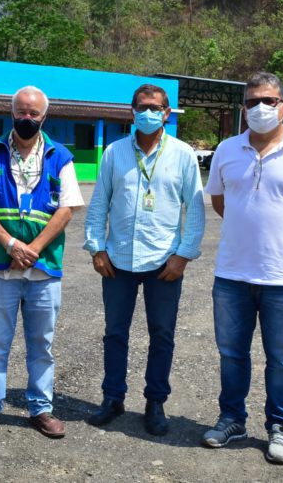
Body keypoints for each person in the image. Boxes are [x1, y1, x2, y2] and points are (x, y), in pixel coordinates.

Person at [201, 72, 283, 464]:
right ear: (243, 108)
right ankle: (232, 419)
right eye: (252, 102)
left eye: (269, 101)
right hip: (232, 274)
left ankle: (280, 426)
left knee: (282, 359)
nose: (260, 108)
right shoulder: (227, 149)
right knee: (232, 354)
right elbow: (220, 201)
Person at [83, 83, 205, 436]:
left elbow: (195, 209)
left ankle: (155, 402)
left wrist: (183, 255)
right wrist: (97, 248)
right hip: (117, 259)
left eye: (155, 108)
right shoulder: (114, 152)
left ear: (166, 113)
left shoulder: (182, 154)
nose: (148, 113)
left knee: (162, 334)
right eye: (142, 107)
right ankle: (112, 398)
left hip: (164, 262)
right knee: (114, 333)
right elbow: (99, 204)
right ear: (132, 112)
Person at [0, 85, 84, 438]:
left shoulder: (60, 156)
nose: (27, 118)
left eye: (34, 113)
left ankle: (41, 408)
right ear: (11, 112)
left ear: (44, 116)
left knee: (42, 345)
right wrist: (10, 244)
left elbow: (67, 208)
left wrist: (32, 248)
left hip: (43, 267)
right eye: (21, 112)